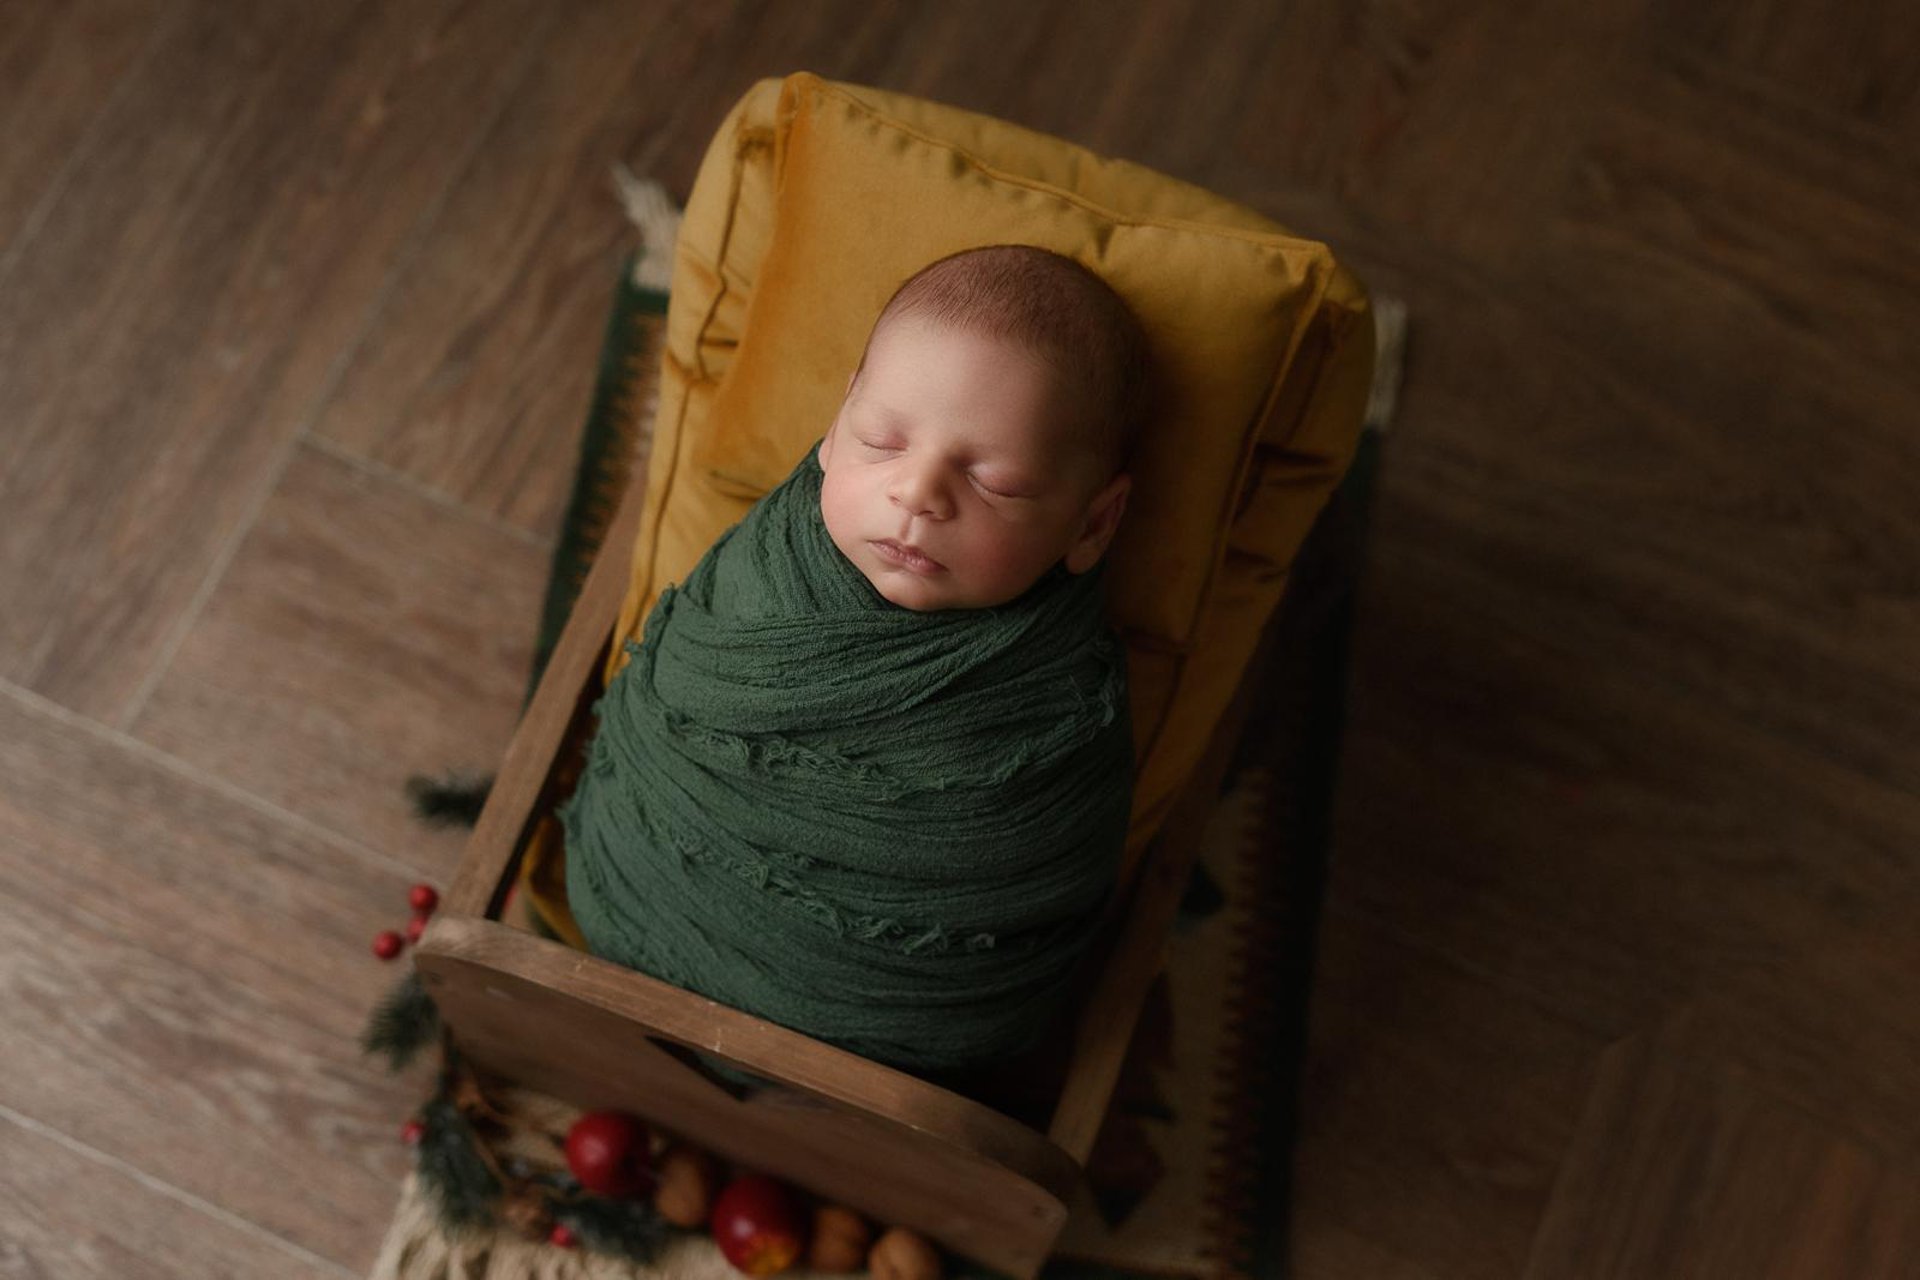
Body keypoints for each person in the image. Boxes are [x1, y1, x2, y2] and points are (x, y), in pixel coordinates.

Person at [558, 244, 1151, 1081]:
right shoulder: (763, 575)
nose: (919, 494)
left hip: (883, 1068)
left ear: (1095, 524)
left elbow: (1039, 861)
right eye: (881, 440)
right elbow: (660, 711)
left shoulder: (1059, 710)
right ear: (835, 432)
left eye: (999, 484)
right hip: (628, 916)